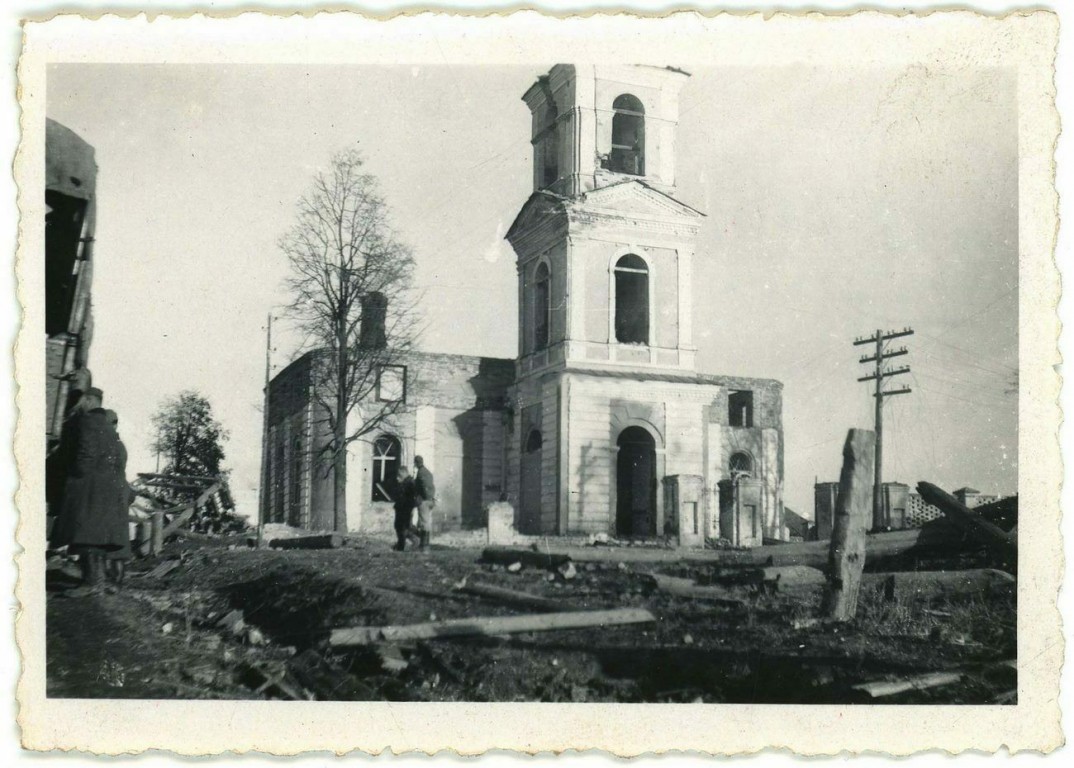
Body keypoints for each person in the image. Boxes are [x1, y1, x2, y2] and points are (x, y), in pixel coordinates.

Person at [49, 388, 128, 596]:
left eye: (82, 400)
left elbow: (85, 455)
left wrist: (76, 472)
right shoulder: (107, 427)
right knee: (94, 536)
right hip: (104, 490)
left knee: (85, 534)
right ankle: (98, 582)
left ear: (90, 400)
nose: (79, 405)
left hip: (88, 488)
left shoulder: (86, 421)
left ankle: (92, 583)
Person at [103, 410, 134, 586]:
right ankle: (115, 576)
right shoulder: (115, 444)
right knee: (116, 534)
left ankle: (116, 577)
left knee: (115, 535)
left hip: (115, 491)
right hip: (118, 490)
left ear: (114, 425)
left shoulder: (114, 446)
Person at [392, 466, 418, 552]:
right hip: (402, 508)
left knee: (402, 527)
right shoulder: (406, 481)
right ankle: (401, 545)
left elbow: (409, 497)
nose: (398, 477)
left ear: (404, 472)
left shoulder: (410, 482)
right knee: (400, 526)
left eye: (399, 474)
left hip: (405, 508)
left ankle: (405, 545)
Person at [413, 455, 436, 552]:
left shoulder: (420, 472)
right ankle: (423, 543)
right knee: (424, 521)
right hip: (430, 500)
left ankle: (424, 544)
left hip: (424, 501)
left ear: (416, 463)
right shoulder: (428, 472)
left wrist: (422, 498)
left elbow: (423, 486)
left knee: (424, 522)